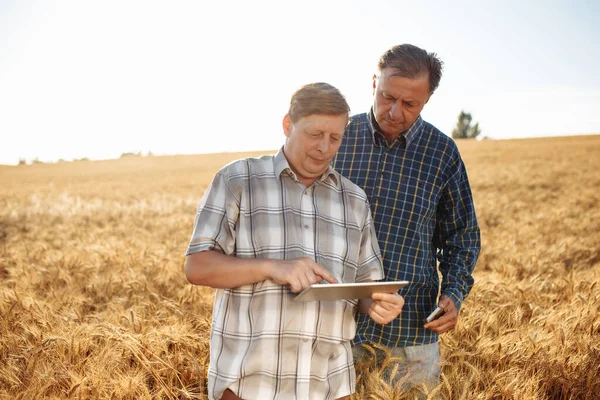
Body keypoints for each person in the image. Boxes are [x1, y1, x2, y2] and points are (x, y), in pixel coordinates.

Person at [185, 82, 405, 400]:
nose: (324, 148)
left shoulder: (355, 201)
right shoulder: (238, 180)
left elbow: (366, 289)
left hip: (330, 387)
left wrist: (379, 304)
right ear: (288, 124)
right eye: (314, 134)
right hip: (248, 386)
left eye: (335, 138)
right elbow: (197, 266)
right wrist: (273, 267)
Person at [332, 44, 481, 391]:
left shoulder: (443, 153)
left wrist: (454, 294)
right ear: (374, 82)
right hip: (332, 327)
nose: (395, 111)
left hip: (411, 332)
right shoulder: (336, 139)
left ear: (427, 100)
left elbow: (463, 237)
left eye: (410, 104)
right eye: (387, 96)